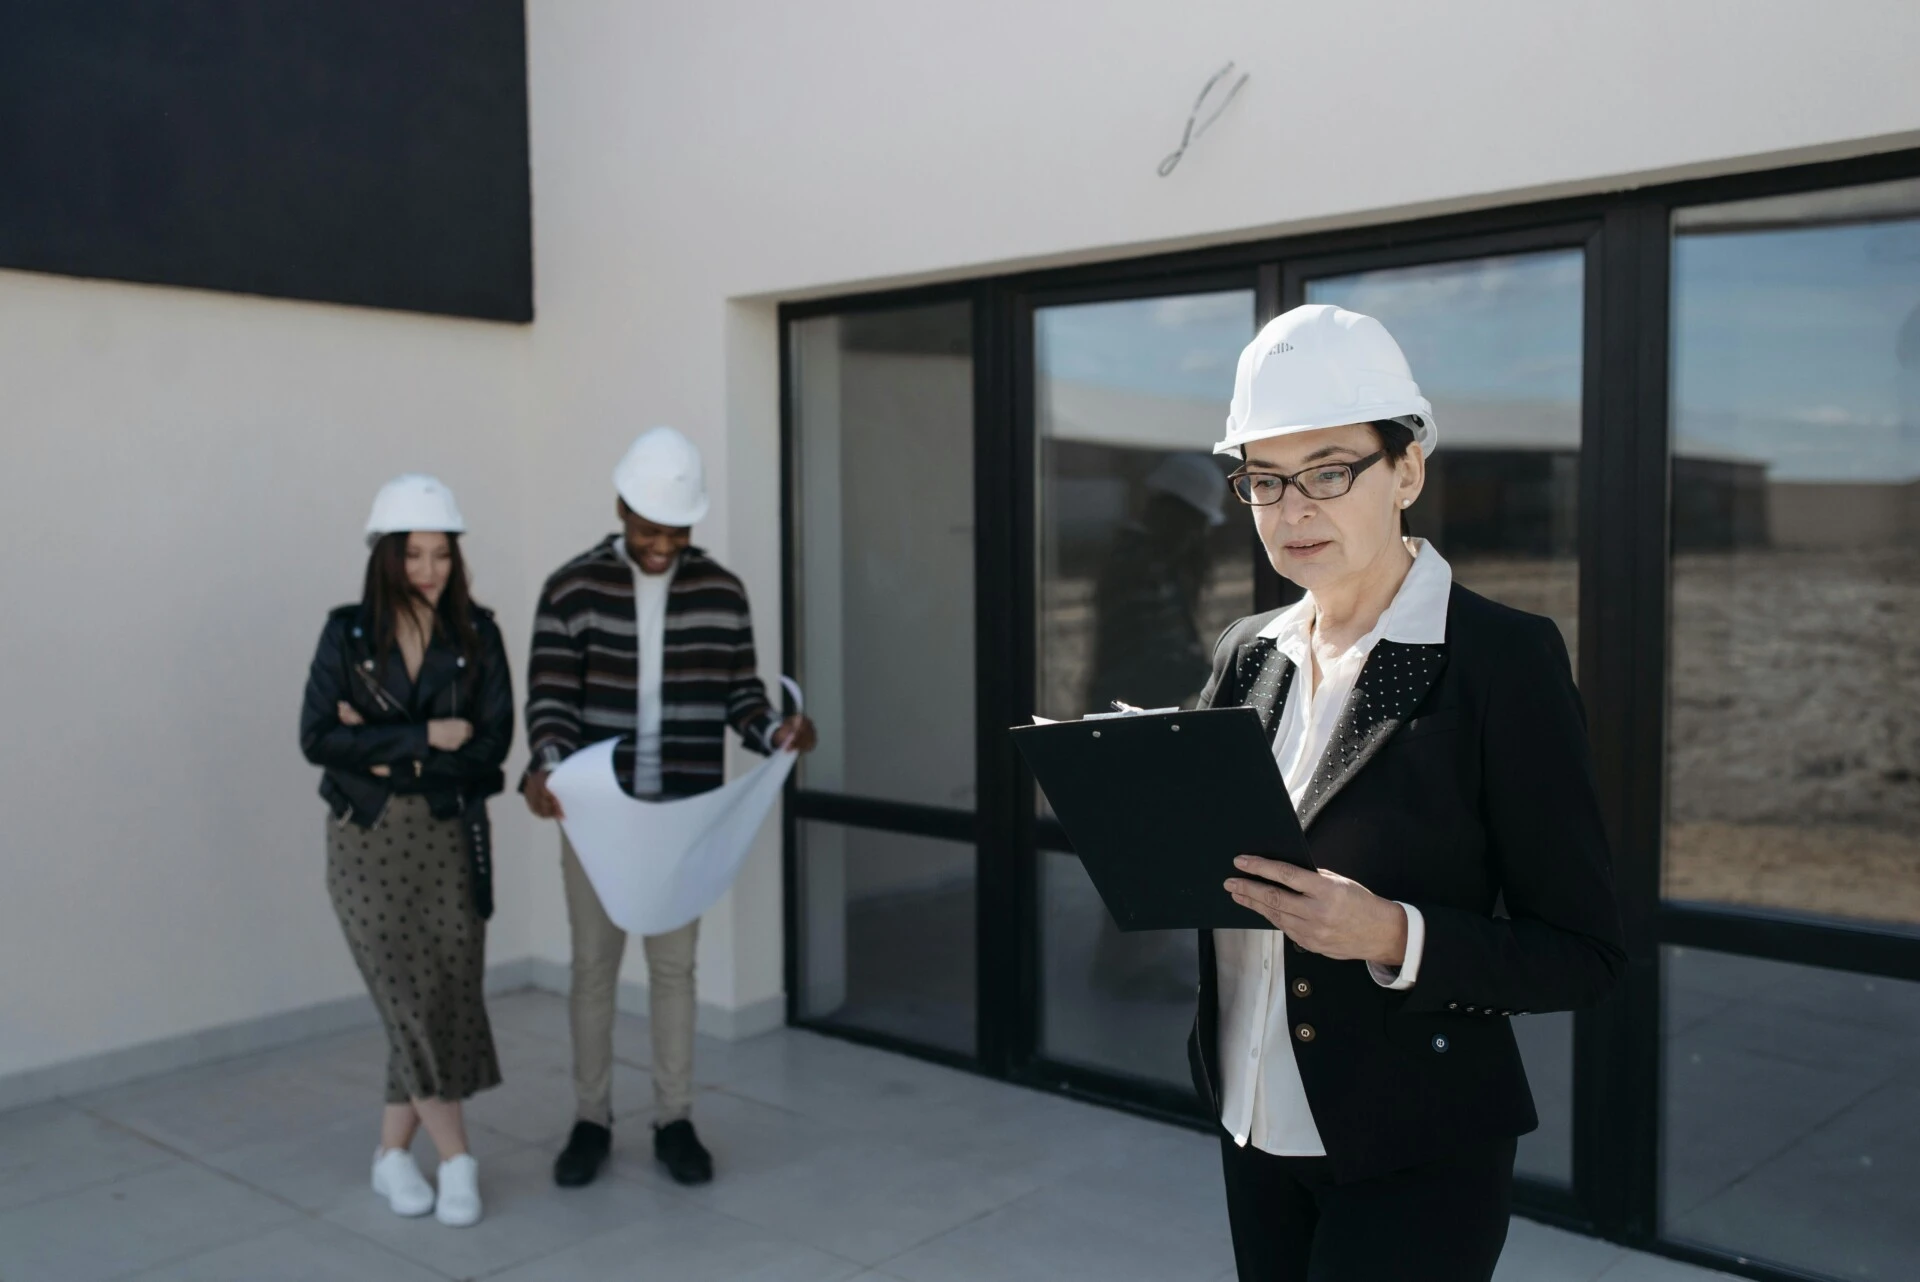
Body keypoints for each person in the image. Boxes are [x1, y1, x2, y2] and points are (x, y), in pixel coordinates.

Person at [1191, 305, 1626, 1281]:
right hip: (1252, 1124)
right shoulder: (1248, 653)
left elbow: (1585, 954)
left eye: (1329, 471)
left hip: (1415, 1145)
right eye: (1264, 479)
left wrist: (1392, 934)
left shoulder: (1498, 661)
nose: (1292, 510)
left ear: (1409, 469)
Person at [522, 426, 817, 1189]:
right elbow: (550, 699)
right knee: (593, 970)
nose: (663, 545)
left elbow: (741, 697)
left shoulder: (721, 590)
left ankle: (675, 1120)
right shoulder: (569, 589)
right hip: (594, 818)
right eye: (651, 529)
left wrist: (774, 732)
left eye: (678, 531)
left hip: (682, 814)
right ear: (620, 509)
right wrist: (547, 769)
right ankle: (590, 1120)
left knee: (675, 970)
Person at [299, 474, 514, 1229]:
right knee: (406, 996)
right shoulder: (346, 634)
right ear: (385, 557)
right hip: (366, 838)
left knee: (442, 996)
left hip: (451, 837)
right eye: (413, 555)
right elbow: (319, 740)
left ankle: (392, 1156)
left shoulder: (479, 636)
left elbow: (491, 755)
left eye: (441, 556)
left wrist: (387, 753)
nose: (428, 571)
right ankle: (458, 1159)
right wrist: (425, 736)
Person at [1086, 452, 1227, 1000]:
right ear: (1176, 512)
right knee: (1138, 850)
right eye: (1194, 523)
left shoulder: (1146, 558)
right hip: (1129, 723)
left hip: (1136, 719)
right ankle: (1126, 970)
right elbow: (1155, 655)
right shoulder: (1139, 564)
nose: (1197, 536)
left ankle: (1130, 965)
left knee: (1142, 848)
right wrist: (1221, 668)